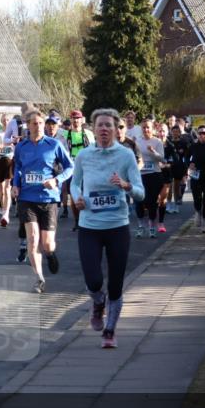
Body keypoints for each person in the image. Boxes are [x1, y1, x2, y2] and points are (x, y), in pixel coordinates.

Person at [70, 109, 144, 348]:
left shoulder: (126, 156)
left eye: (108, 126)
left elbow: (141, 193)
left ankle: (110, 331)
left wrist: (125, 185)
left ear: (115, 129)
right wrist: (77, 198)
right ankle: (97, 301)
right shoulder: (83, 155)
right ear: (93, 128)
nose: (104, 129)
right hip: (89, 226)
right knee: (93, 279)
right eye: (99, 125)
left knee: (116, 283)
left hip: (117, 227)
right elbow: (74, 182)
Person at [12, 110, 74, 293]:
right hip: (27, 199)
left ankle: (50, 254)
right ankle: (38, 278)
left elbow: (70, 167)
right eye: (34, 123)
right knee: (32, 239)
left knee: (47, 243)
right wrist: (15, 185)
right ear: (28, 125)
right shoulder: (22, 146)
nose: (39, 126)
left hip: (48, 199)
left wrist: (56, 180)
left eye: (41, 123)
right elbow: (18, 168)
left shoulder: (54, 145)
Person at [134, 119, 165, 238]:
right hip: (140, 175)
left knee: (152, 203)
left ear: (152, 129)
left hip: (154, 174)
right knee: (138, 201)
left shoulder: (157, 141)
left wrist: (153, 152)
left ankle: (152, 226)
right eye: (144, 127)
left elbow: (162, 159)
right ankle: (141, 226)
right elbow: (134, 156)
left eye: (148, 127)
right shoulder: (137, 141)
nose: (146, 129)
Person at [166, 124, 191, 214]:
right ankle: (168, 204)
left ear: (180, 133)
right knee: (169, 187)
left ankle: (176, 205)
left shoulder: (183, 142)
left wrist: (187, 167)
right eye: (173, 132)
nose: (175, 133)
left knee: (176, 187)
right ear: (171, 132)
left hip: (179, 166)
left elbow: (187, 155)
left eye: (177, 132)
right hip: (169, 166)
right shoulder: (168, 142)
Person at [155, 123, 172, 233]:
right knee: (153, 200)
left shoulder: (170, 146)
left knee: (163, 199)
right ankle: (153, 219)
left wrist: (165, 165)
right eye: (160, 131)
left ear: (167, 132)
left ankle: (161, 222)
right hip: (154, 174)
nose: (161, 133)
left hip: (166, 174)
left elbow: (174, 161)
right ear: (157, 132)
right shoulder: (153, 144)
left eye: (163, 131)